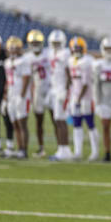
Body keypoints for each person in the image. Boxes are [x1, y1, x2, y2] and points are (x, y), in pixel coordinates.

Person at [67, 36, 98, 161]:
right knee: (76, 124)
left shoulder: (87, 61)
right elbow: (71, 79)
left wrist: (78, 98)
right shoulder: (71, 60)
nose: (76, 50)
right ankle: (77, 151)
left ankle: (94, 152)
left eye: (79, 48)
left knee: (90, 124)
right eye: (75, 48)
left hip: (86, 97)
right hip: (75, 96)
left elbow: (86, 83)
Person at [25, 29, 54, 158]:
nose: (35, 44)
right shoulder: (28, 57)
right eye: (33, 42)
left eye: (37, 42)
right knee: (39, 121)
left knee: (56, 119)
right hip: (37, 90)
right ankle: (41, 148)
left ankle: (61, 147)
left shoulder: (49, 53)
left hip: (49, 89)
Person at [4, 36, 32, 159]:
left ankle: (24, 150)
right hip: (11, 94)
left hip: (21, 96)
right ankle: (19, 148)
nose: (13, 51)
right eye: (11, 48)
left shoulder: (24, 61)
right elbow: (8, 81)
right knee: (14, 123)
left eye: (15, 48)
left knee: (22, 123)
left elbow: (26, 78)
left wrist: (22, 95)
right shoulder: (7, 62)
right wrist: (5, 97)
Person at [47, 29, 73, 161]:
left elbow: (69, 73)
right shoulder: (51, 53)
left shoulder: (65, 53)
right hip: (54, 89)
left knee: (61, 120)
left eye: (58, 42)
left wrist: (66, 90)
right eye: (54, 42)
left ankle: (65, 149)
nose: (56, 45)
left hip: (61, 90)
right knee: (57, 120)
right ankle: (61, 148)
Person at [0, 33, 15, 157]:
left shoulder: (5, 57)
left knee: (7, 120)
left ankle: (10, 146)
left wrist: (7, 94)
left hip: (4, 94)